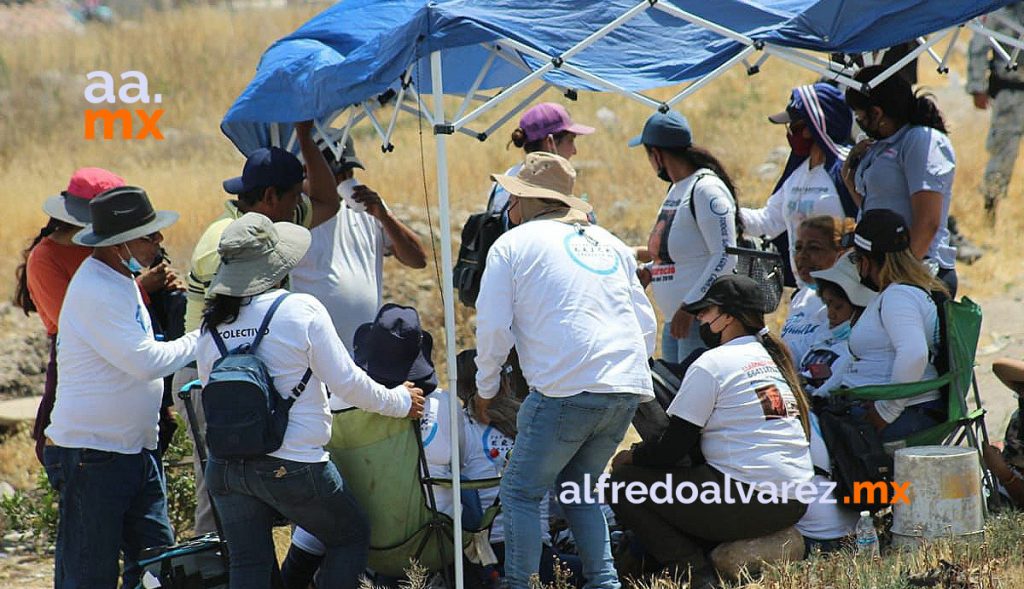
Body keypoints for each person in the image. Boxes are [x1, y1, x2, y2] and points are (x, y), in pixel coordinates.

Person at [196, 213, 425, 589]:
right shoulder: (300, 310)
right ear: (278, 264)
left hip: (226, 467)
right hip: (295, 465)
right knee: (349, 535)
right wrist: (399, 401)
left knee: (248, 564)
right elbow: (348, 384)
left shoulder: (212, 327)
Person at [473, 152, 657, 589]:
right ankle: (604, 582)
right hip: (625, 386)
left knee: (520, 492)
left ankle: (523, 585)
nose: (508, 206)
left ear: (528, 201)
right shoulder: (609, 242)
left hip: (566, 390)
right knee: (580, 493)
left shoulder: (512, 245)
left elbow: (492, 325)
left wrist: (486, 387)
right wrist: (622, 371)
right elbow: (645, 321)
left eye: (512, 196)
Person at [175, 120, 339, 535]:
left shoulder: (272, 222)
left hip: (252, 370)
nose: (298, 206)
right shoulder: (222, 245)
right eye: (292, 197)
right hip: (212, 375)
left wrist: (305, 137)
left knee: (249, 492)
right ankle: (213, 570)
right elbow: (227, 329)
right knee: (219, 491)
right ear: (270, 197)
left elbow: (327, 200)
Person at [609, 275, 813, 588]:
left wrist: (631, 455)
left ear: (727, 317)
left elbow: (670, 450)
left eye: (706, 311)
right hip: (794, 503)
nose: (700, 319)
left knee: (624, 483)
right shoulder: (770, 358)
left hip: (754, 500)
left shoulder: (715, 363)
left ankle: (693, 574)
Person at [42, 186, 198, 589]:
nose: (159, 242)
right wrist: (204, 337)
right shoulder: (97, 288)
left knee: (158, 569)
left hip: (130, 451)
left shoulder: (118, 277)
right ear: (118, 243)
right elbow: (144, 362)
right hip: (94, 456)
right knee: (89, 576)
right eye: (149, 235)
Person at [290, 130, 427, 349]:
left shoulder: (367, 208)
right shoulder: (295, 214)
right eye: (336, 174)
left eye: (349, 171)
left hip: (364, 350)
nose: (345, 179)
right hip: (315, 349)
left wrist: (383, 215)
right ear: (310, 171)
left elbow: (418, 259)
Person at [630, 110, 738, 362]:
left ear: (656, 154)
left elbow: (725, 256)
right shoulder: (678, 189)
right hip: (677, 321)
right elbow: (682, 255)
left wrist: (691, 305)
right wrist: (651, 269)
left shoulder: (705, 189)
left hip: (700, 320)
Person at [842, 65, 959, 296]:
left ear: (877, 112)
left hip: (918, 271)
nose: (859, 122)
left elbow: (928, 222)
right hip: (882, 270)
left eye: (860, 116)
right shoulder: (879, 145)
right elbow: (877, 206)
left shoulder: (919, 141)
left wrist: (899, 278)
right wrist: (848, 173)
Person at [840, 208, 949, 441]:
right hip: (894, 410)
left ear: (866, 262)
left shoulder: (898, 297)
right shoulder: (895, 294)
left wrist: (885, 412)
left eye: (856, 259)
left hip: (903, 415)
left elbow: (914, 354)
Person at [741, 83, 856, 287]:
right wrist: (725, 210)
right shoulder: (797, 173)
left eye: (794, 125)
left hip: (846, 291)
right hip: (805, 289)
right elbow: (768, 222)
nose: (789, 132)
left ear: (814, 126)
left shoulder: (849, 166)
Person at [967, 2, 1024, 223]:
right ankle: (989, 212)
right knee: (1003, 154)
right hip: (1011, 92)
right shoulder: (1000, 11)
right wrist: (977, 86)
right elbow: (979, 45)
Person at [488, 102, 594, 214]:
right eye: (570, 140)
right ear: (550, 142)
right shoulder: (544, 190)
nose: (574, 151)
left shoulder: (506, 177)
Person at [799, 251, 876, 397]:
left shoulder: (864, 350)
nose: (830, 314)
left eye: (838, 307)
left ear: (860, 306)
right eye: (828, 305)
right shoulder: (823, 333)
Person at [780, 216, 851, 367]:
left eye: (814, 248)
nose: (802, 256)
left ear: (840, 253)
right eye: (798, 247)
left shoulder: (847, 301)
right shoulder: (801, 295)